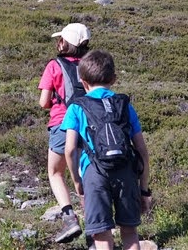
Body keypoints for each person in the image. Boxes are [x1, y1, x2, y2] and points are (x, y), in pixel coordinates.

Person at [62, 50, 152, 250]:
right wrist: (144, 189)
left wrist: (78, 183)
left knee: (101, 234)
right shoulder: (124, 105)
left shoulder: (77, 107)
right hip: (126, 172)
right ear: (114, 78)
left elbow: (69, 150)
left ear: (83, 81)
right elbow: (142, 150)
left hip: (94, 174)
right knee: (129, 232)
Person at [38, 22, 92, 244]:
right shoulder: (91, 65)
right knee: (87, 175)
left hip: (62, 124)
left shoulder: (54, 65)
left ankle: (70, 218)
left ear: (65, 42)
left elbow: (43, 102)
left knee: (55, 172)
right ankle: (95, 228)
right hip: (89, 126)